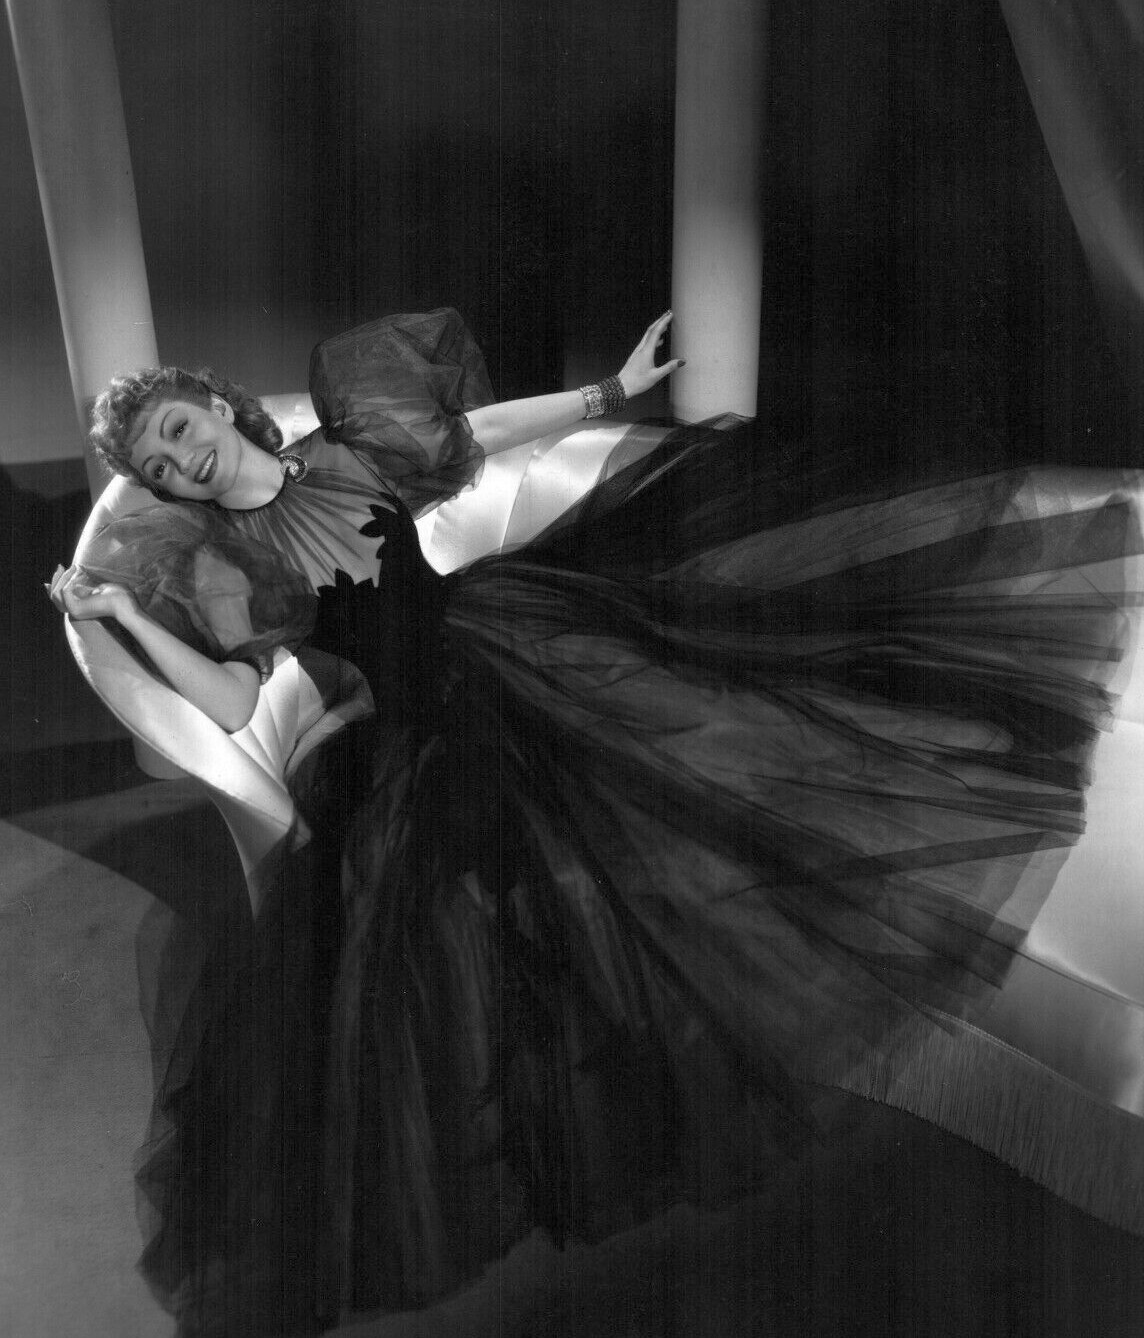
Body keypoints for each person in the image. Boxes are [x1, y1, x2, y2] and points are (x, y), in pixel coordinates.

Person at [50, 308, 1144, 1335]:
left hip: (508, 639)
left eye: (178, 429)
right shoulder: (223, 565)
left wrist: (610, 392)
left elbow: (474, 437)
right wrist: (128, 615)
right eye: (157, 467)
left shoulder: (346, 448)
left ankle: (668, 1047)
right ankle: (559, 1119)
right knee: (450, 920)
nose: (181, 461)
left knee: (691, 748)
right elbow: (231, 703)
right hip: (411, 732)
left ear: (216, 405)